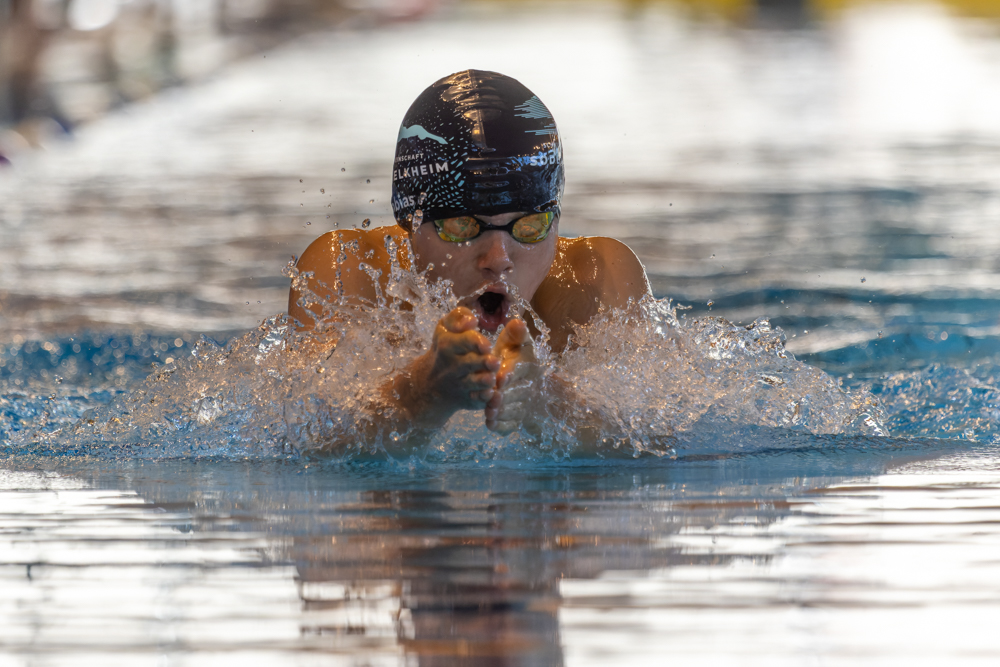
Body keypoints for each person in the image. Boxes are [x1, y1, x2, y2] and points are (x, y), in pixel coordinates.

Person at [289, 70, 651, 450]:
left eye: (529, 226)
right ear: (410, 224)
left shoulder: (596, 276)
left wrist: (544, 401)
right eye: (462, 226)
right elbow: (305, 444)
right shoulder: (349, 270)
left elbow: (657, 444)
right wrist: (423, 391)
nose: (499, 260)